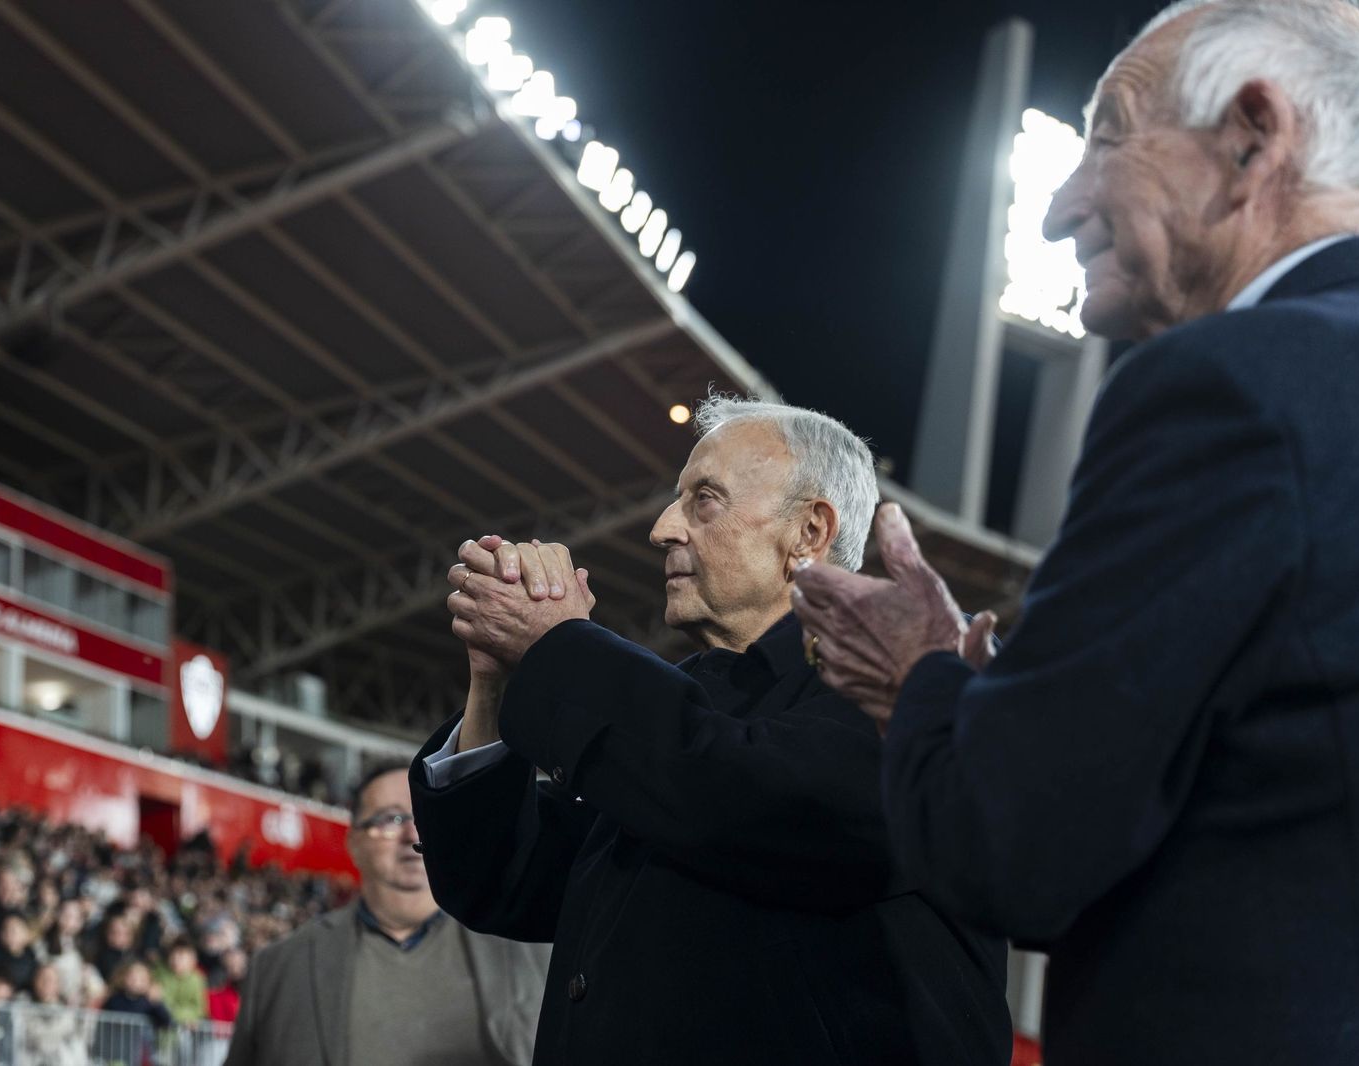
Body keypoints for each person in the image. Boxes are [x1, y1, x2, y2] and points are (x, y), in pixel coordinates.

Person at [790, 1, 1359, 1063]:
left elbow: (1010, 849)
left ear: (1250, 137)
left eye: (1107, 135)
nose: (1060, 210)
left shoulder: (1233, 389)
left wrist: (922, 673)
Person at [415, 398, 1011, 1065]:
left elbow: (754, 800)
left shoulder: (908, 687)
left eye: (705, 499)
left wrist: (559, 645)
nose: (663, 528)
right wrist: (496, 681)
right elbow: (502, 883)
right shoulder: (689, 711)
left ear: (809, 533)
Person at [225, 765, 550, 1066]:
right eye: (390, 820)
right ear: (353, 843)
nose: (413, 835)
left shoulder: (535, 947)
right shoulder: (278, 968)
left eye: (424, 816)